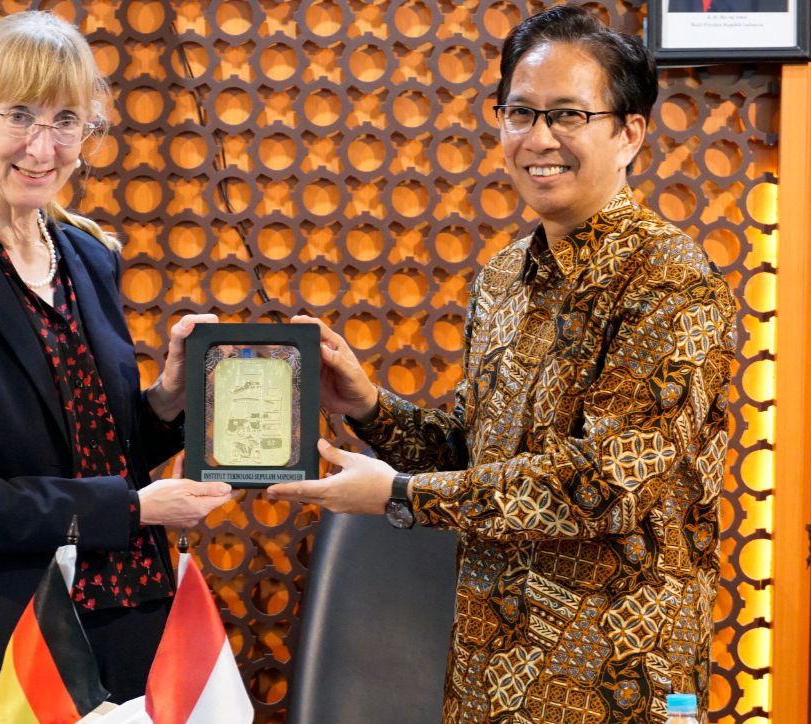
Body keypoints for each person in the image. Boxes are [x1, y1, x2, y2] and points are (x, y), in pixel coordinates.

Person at [268, 5, 735, 722]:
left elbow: (605, 484)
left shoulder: (670, 281)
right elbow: (475, 451)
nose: (538, 138)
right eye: (520, 112)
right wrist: (370, 407)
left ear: (630, 132)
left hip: (615, 689)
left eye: (568, 115)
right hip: (487, 682)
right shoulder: (503, 277)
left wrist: (401, 496)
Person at [0, 11, 232, 709]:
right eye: (21, 115)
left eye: (67, 120)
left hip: (125, 631)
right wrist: (130, 509)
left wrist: (168, 400)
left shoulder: (91, 258)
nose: (42, 146)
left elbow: (94, 444)